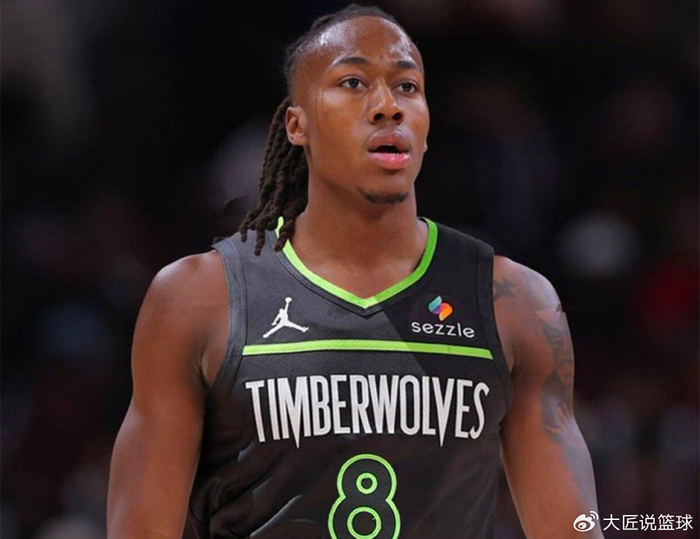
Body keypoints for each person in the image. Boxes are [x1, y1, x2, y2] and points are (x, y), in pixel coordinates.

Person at [107, 4, 603, 538]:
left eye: (407, 87)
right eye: (353, 83)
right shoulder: (199, 297)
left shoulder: (514, 302)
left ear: (427, 124)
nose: (388, 106)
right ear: (297, 125)